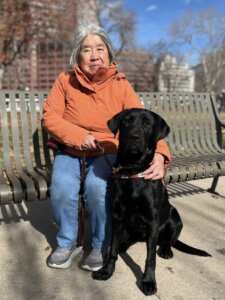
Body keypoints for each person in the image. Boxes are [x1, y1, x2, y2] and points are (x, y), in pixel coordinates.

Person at [42, 22, 171, 271]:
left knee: (97, 186)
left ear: (109, 53)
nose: (94, 55)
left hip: (106, 150)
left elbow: (145, 122)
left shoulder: (121, 84)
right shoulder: (64, 80)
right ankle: (68, 242)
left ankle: (101, 244)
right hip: (72, 149)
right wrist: (79, 136)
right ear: (77, 55)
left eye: (100, 48)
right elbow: (50, 117)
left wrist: (161, 154)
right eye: (86, 49)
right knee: (61, 186)